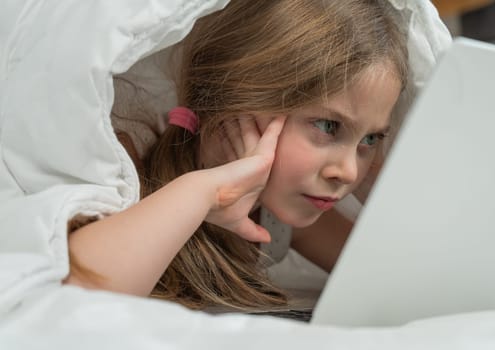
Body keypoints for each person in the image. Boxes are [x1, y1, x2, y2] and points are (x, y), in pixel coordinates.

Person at [65, 0, 408, 311]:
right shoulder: (127, 165)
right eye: (327, 126)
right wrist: (205, 192)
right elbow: (74, 300)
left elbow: (400, 283)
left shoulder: (278, 215)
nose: (348, 171)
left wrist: (385, 191)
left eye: (371, 138)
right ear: (237, 102)